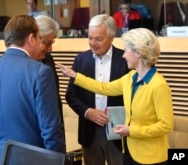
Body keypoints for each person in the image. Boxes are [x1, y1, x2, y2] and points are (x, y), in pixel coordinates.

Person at [57, 28, 173, 165]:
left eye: (126, 50)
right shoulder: (131, 78)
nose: (123, 55)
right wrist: (75, 76)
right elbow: (104, 88)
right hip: (130, 153)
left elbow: (166, 126)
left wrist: (131, 131)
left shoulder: (158, 85)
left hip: (152, 158)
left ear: (138, 53)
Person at [0, 15, 66, 165]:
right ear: (31, 39)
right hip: (34, 160)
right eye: (38, 38)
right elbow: (50, 130)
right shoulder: (40, 72)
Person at [65, 14, 130, 165]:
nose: (93, 43)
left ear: (112, 37)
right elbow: (71, 95)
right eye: (90, 38)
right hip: (89, 132)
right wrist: (88, 112)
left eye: (98, 39)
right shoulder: (80, 60)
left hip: (118, 133)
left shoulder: (126, 60)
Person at [35, 15, 63, 124]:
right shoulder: (23, 64)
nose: (50, 49)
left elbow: (55, 96)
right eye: (47, 43)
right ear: (35, 38)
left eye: (51, 43)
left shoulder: (48, 58)